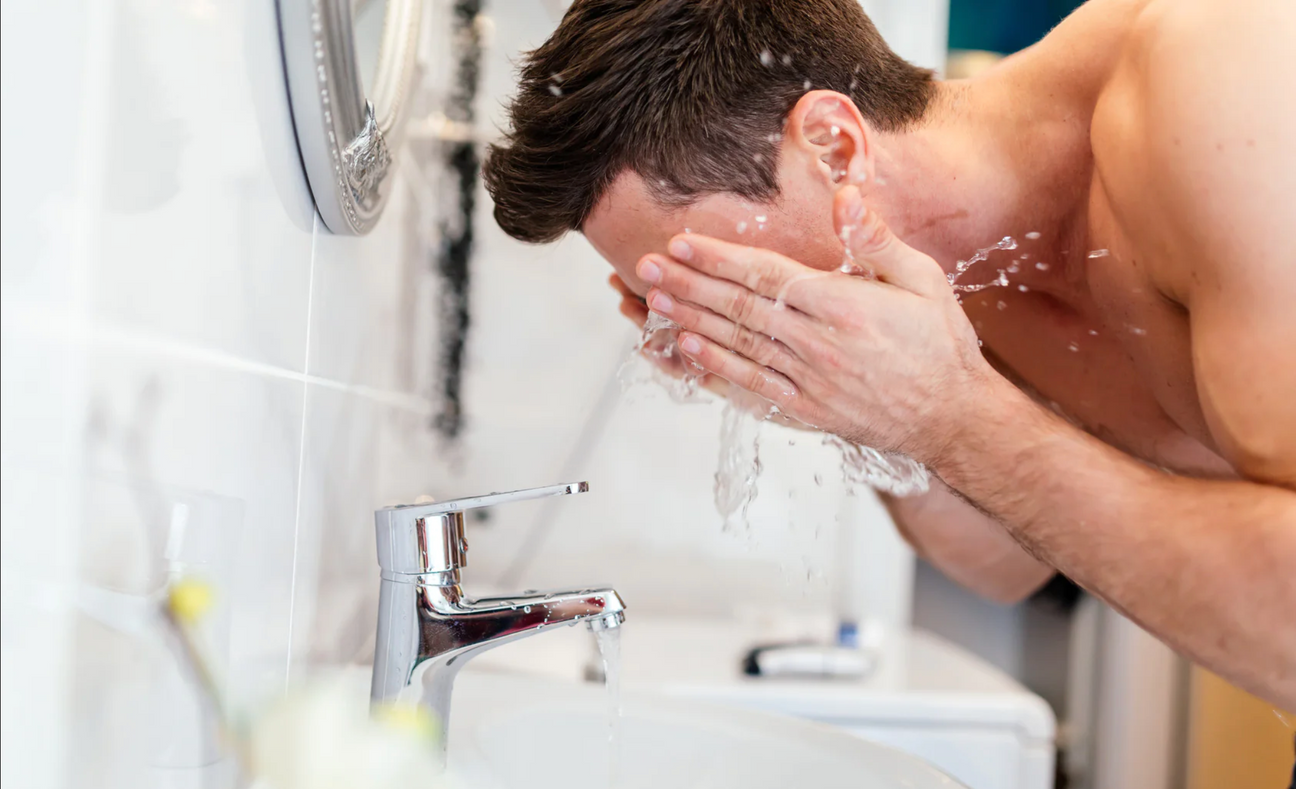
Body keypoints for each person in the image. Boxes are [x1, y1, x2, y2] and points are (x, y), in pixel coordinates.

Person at [482, 0, 1296, 735]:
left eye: (714, 278)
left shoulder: (1224, 87)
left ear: (835, 147)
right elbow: (1013, 561)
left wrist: (951, 416)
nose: (710, 315)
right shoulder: (941, 268)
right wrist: (855, 408)